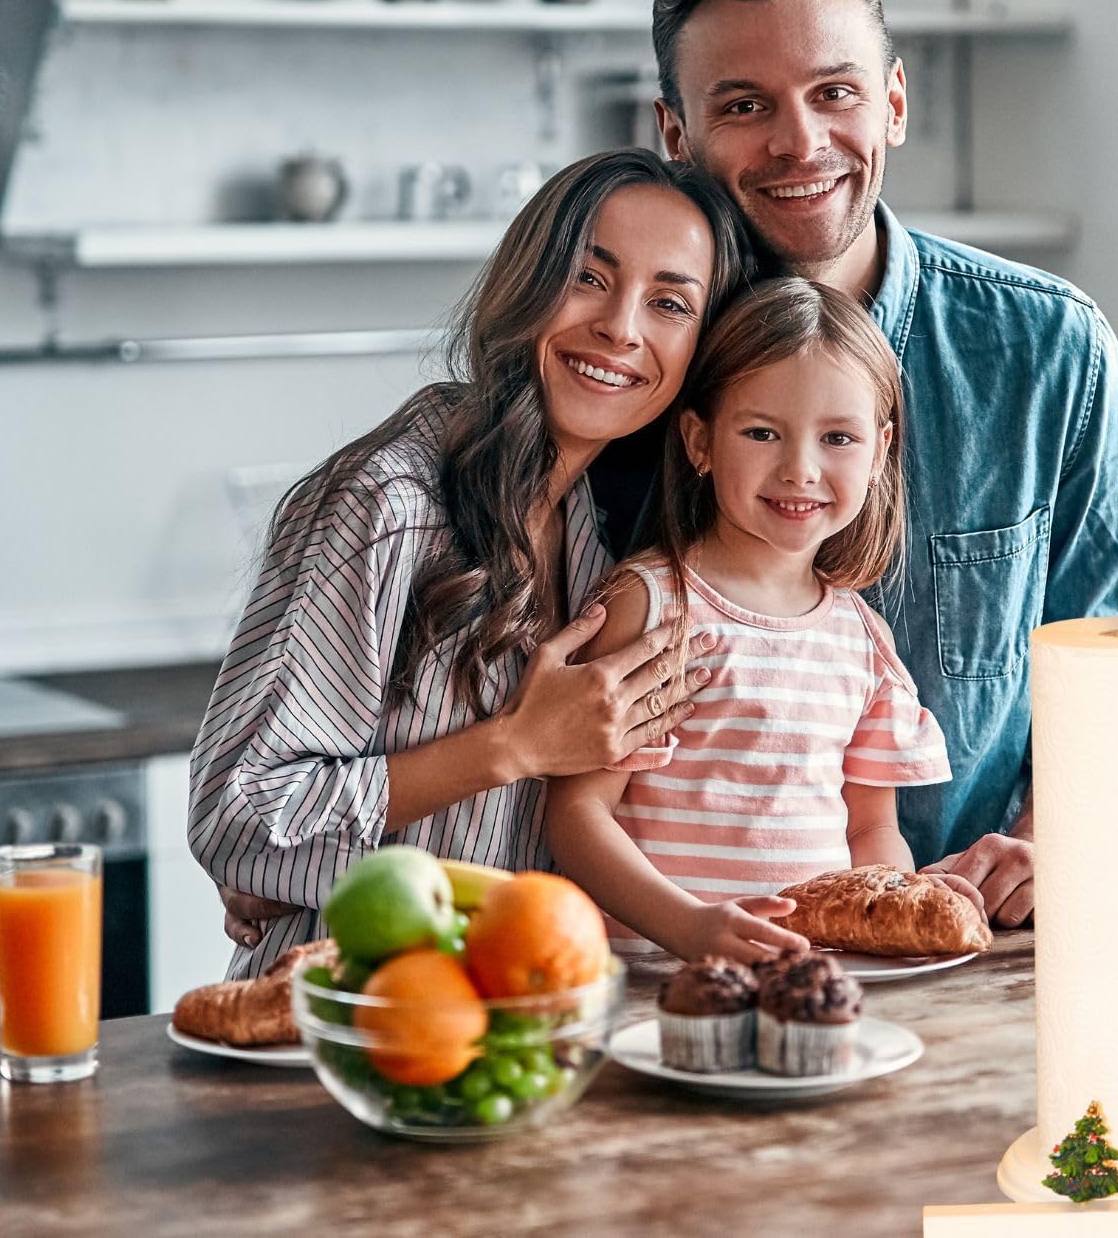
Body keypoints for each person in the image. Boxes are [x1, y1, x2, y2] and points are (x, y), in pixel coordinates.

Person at [647, 0, 1118, 926]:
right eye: (744, 104)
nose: (800, 142)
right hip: (674, 971)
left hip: (985, 956)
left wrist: (1052, 847)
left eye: (835, 93)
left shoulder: (1058, 349)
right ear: (673, 136)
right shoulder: (631, 367)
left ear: (894, 102)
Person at [190, 149, 750, 973]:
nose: (622, 327)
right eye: (589, 278)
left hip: (508, 1027)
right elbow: (238, 819)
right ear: (527, 282)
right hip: (348, 1030)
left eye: (669, 302)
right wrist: (512, 745)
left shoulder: (594, 529)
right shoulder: (385, 505)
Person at [547, 277, 973, 964]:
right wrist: (689, 926)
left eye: (837, 437)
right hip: (659, 980)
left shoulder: (861, 640)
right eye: (760, 432)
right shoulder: (653, 607)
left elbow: (872, 830)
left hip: (810, 979)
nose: (799, 469)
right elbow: (576, 817)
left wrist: (900, 897)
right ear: (699, 441)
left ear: (878, 450)